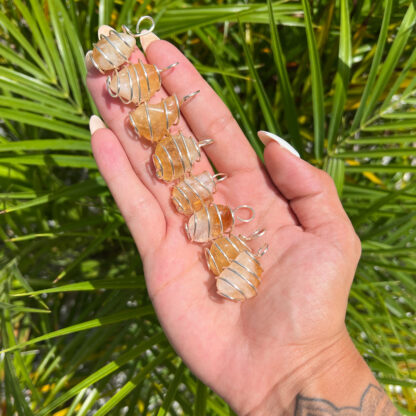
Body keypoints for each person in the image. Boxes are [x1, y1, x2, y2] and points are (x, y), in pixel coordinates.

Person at [85, 28, 400, 415]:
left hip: (212, 223)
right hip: (202, 207)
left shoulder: (227, 246)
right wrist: (312, 361)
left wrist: (308, 360)